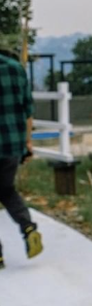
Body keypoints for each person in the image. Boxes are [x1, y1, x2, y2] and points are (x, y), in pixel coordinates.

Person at [0, 50, 43, 269]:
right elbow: (28, 110)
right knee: (6, 189)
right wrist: (27, 143)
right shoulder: (16, 68)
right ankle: (28, 228)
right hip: (11, 146)